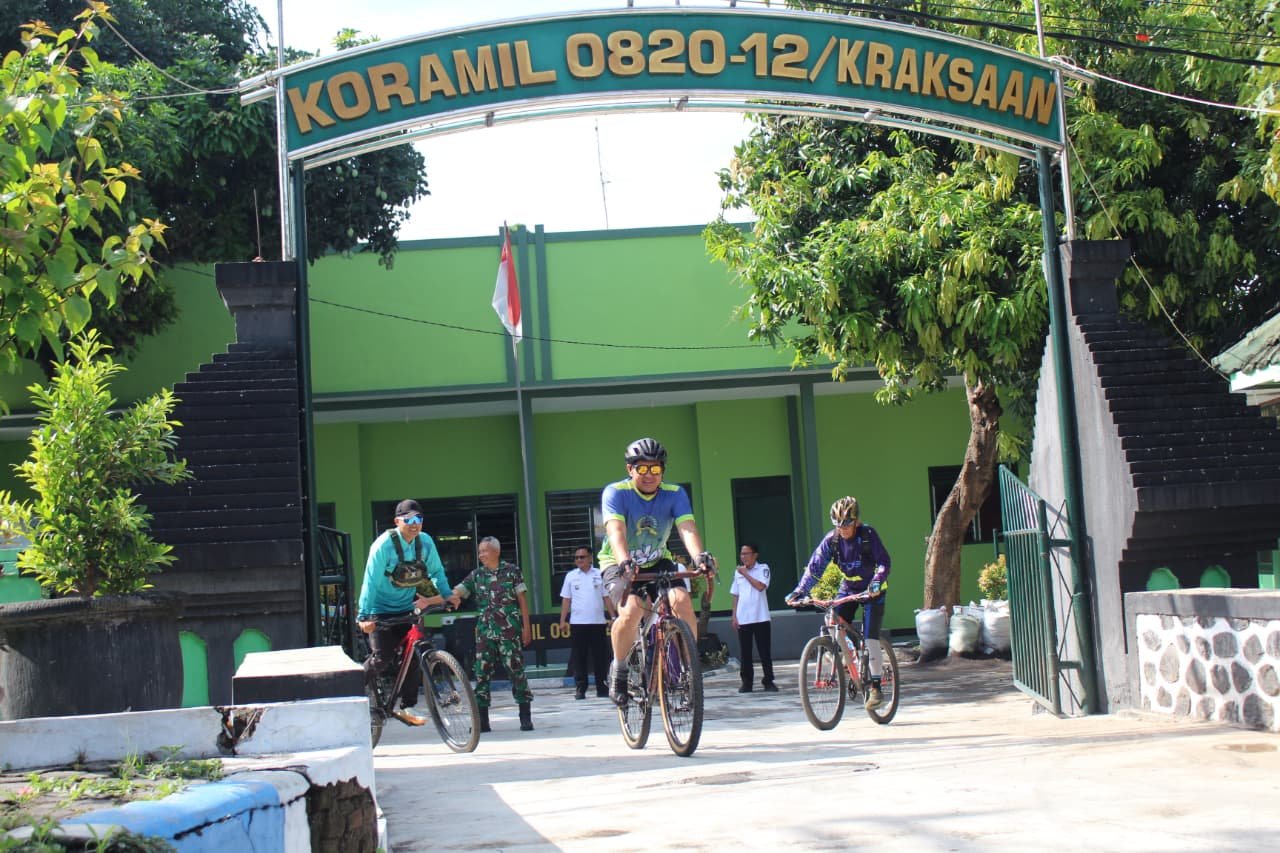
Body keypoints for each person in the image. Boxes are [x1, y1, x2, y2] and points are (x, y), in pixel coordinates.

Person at [599, 437, 716, 707]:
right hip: (618, 562)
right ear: (630, 470)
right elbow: (615, 532)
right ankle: (619, 671)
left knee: (681, 600)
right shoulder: (616, 493)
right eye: (642, 469)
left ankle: (690, 672)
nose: (649, 475)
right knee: (633, 609)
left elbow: (686, 528)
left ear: (662, 470)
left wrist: (699, 556)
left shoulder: (674, 494)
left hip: (657, 560)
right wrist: (625, 560)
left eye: (655, 469)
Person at [787, 496, 891, 710]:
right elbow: (814, 568)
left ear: (856, 521)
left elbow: (884, 562)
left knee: (871, 640)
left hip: (873, 591)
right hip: (849, 589)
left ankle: (876, 688)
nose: (842, 529)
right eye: (838, 524)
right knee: (832, 619)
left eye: (846, 523)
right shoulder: (831, 541)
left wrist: (877, 581)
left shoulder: (868, 536)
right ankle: (849, 656)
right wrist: (799, 591)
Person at [355, 499, 452, 726]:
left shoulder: (425, 542)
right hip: (379, 611)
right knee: (382, 658)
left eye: (418, 519)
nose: (414, 524)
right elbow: (370, 582)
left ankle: (407, 706)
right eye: (408, 520)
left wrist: (447, 596)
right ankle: (351, 687)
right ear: (397, 521)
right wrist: (364, 616)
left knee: (415, 653)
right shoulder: (382, 546)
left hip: (407, 608)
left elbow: (437, 571)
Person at [448, 536, 534, 732]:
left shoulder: (512, 571)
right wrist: (443, 596)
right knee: (481, 674)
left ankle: (525, 717)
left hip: (509, 631)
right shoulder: (477, 575)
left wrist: (526, 627)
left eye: (485, 551)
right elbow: (459, 591)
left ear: (496, 551)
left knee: (516, 672)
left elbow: (522, 600)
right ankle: (483, 722)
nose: (481, 555)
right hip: (485, 632)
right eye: (479, 552)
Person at [558, 547, 615, 700]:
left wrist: (613, 617)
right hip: (577, 623)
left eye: (582, 557)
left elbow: (606, 597)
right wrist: (563, 620)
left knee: (600, 658)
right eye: (576, 558)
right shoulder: (570, 576)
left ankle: (602, 689)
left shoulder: (599, 575)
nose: (579, 560)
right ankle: (580, 689)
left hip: (597, 623)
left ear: (590, 558)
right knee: (579, 658)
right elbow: (566, 599)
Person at [731, 542, 776, 693]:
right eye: (742, 554)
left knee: (764, 651)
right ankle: (746, 682)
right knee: (745, 652)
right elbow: (735, 595)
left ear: (755, 555)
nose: (743, 557)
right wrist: (734, 616)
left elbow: (760, 586)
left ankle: (768, 681)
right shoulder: (738, 572)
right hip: (743, 617)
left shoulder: (763, 568)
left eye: (747, 553)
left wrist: (745, 574)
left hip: (761, 616)